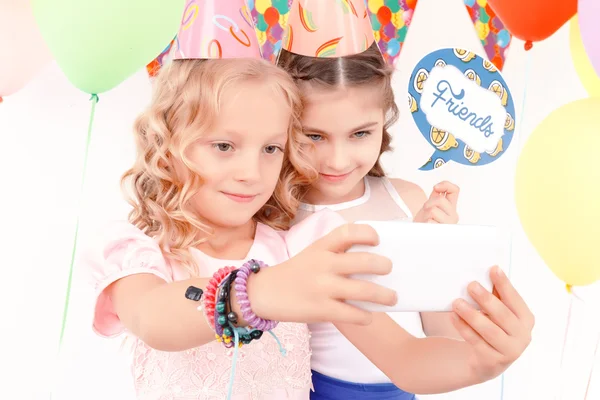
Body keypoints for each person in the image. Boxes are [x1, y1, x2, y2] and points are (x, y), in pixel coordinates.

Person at [85, 2, 397, 399]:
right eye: (223, 145)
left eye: (270, 148)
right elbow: (154, 318)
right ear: (167, 146)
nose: (251, 172)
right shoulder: (135, 254)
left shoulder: (297, 244)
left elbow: (403, 355)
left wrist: (478, 356)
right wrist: (253, 293)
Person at [277, 1, 535, 398]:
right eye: (314, 136)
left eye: (361, 133)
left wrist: (438, 252)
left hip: (406, 387)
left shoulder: (407, 202)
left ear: (385, 119)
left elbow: (441, 335)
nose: (338, 160)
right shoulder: (281, 219)